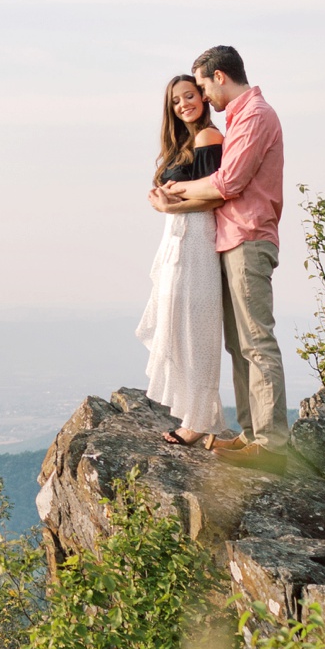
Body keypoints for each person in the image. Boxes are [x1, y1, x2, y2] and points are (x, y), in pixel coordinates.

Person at [155, 45, 287, 464]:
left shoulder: (256, 116)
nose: (202, 96)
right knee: (239, 343)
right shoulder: (239, 118)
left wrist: (171, 195)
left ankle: (271, 444)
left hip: (248, 238)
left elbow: (226, 183)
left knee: (256, 342)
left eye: (203, 86)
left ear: (220, 77)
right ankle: (253, 434)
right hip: (230, 240)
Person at [137, 75, 230, 447]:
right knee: (177, 326)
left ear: (203, 98)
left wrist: (167, 205)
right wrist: (164, 203)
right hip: (177, 241)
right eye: (176, 101)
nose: (183, 105)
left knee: (195, 330)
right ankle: (190, 413)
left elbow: (216, 198)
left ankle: (198, 421)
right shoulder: (182, 145)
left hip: (196, 241)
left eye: (189, 96)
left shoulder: (209, 137)